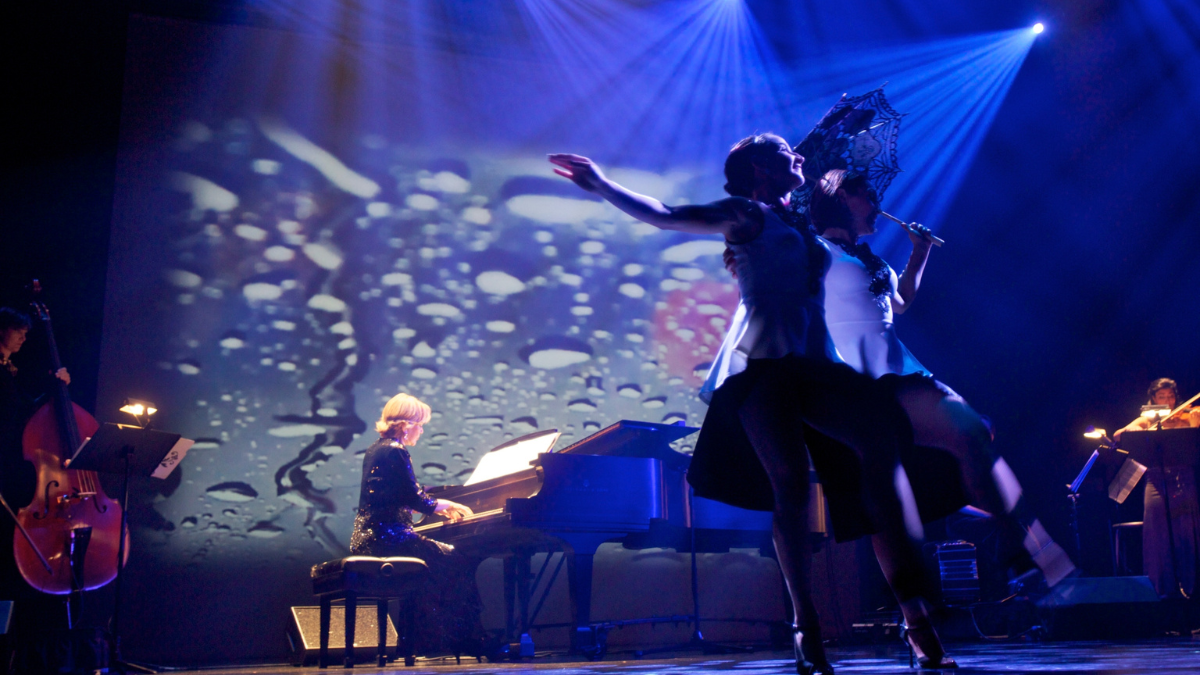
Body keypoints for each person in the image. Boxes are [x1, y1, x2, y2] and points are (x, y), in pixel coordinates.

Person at [551, 139, 945, 673]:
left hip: (817, 367)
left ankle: (912, 615)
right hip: (765, 367)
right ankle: (807, 627)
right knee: (788, 491)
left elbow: (853, 279)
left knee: (879, 447)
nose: (801, 160)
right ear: (761, 167)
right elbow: (667, 215)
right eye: (789, 153)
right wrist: (600, 184)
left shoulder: (801, 227)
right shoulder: (745, 215)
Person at [805, 169, 1075, 594]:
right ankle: (988, 564)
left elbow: (901, 303)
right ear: (841, 197)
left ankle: (1018, 548)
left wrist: (918, 253)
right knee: (893, 496)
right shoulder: (815, 251)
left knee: (972, 433)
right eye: (868, 194)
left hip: (901, 369)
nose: (877, 201)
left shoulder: (870, 257)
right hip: (856, 380)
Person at [349, 392, 482, 655]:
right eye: (419, 424)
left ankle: (421, 641)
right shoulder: (396, 450)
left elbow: (396, 496)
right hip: (388, 538)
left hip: (368, 537)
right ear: (406, 424)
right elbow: (415, 498)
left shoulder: (377, 449)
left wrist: (435, 507)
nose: (421, 431)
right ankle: (462, 638)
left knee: (428, 572)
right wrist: (447, 505)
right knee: (457, 560)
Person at [0, 306, 71, 672]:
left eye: (27, 333)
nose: (24, 338)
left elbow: (22, 412)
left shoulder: (6, 369)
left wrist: (53, 387)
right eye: (19, 332)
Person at [1114, 378, 1200, 597]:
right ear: (1153, 398)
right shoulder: (1148, 418)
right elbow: (1121, 434)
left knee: (1188, 535)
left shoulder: (1189, 415)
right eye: (1162, 397)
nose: (1168, 401)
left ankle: (1192, 590)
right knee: (1158, 534)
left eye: (1170, 396)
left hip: (1184, 479)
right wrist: (1136, 428)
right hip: (1155, 481)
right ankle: (1161, 592)